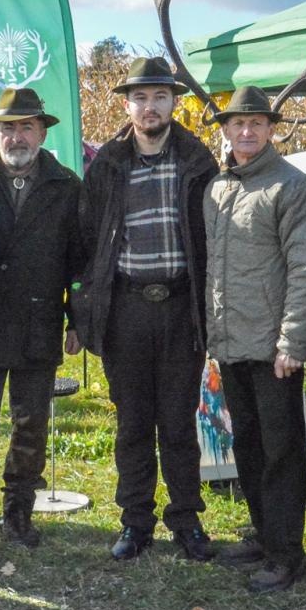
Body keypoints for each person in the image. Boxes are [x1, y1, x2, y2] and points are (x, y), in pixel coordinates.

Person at [75, 56, 219, 562]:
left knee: (179, 422)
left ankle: (186, 520)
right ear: (128, 103)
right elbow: (88, 242)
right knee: (133, 423)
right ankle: (135, 521)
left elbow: (213, 242)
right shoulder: (108, 165)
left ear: (173, 102)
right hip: (127, 309)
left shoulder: (198, 161)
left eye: (160, 97)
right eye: (141, 97)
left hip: (182, 307)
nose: (150, 106)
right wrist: (84, 309)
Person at [0, 87, 84, 566]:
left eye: (26, 126)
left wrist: (76, 319)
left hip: (39, 321)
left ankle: (19, 510)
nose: (16, 136)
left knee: (31, 425)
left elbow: (78, 261)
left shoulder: (66, 185)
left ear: (43, 131)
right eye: (7, 127)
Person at [202, 87, 306, 593]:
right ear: (225, 131)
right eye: (237, 124)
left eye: (256, 123)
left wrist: (292, 343)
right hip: (230, 343)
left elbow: (305, 266)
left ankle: (286, 552)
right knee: (247, 445)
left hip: (274, 349)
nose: (246, 132)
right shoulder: (217, 188)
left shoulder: (290, 187)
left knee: (281, 451)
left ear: (271, 129)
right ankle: (263, 533)